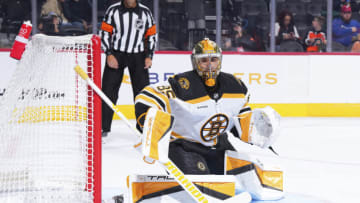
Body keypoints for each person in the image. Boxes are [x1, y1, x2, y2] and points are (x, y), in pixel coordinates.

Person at [134, 38, 282, 200]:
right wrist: (150, 124)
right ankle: (149, 190)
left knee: (255, 186)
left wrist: (257, 130)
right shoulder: (182, 84)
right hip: (183, 146)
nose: (209, 64)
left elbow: (240, 120)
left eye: (213, 59)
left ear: (220, 60)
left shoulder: (235, 86)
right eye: (203, 60)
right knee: (206, 189)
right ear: (195, 62)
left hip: (217, 143)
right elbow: (147, 97)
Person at [100, 0, 157, 137]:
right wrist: (108, 54)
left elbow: (151, 35)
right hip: (117, 54)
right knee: (108, 91)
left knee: (142, 94)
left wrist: (149, 56)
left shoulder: (145, 12)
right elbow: (105, 33)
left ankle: (143, 128)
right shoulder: (113, 10)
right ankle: (103, 128)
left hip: (139, 55)